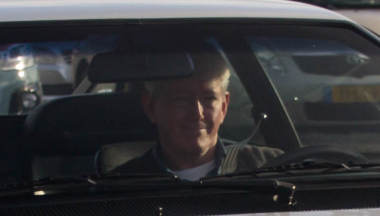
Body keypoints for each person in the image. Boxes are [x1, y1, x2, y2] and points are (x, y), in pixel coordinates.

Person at [104, 48, 284, 180]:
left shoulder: (272, 167)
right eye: (181, 99)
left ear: (223, 107)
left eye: (208, 99)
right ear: (150, 107)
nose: (197, 113)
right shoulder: (123, 184)